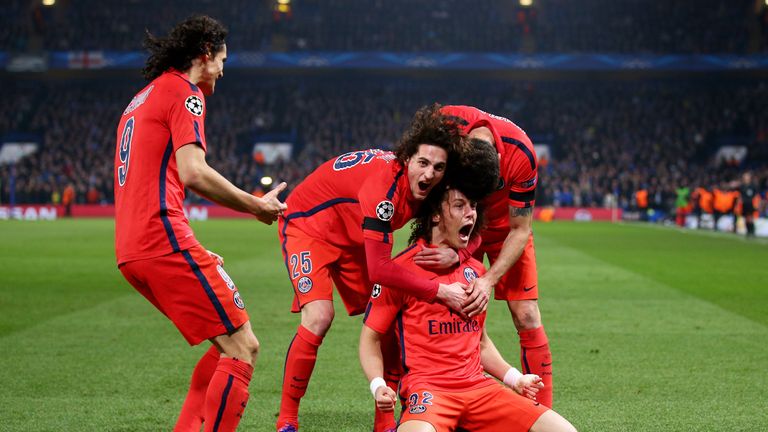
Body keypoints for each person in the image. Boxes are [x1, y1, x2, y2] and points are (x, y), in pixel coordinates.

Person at [275, 105, 499, 432]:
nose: (428, 174)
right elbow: (380, 270)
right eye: (422, 164)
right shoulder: (385, 193)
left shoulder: (433, 182)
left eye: (437, 167)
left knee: (389, 314)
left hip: (358, 237)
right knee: (320, 316)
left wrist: (460, 256)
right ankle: (287, 419)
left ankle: (385, 423)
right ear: (407, 158)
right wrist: (439, 292)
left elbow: (473, 228)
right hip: (310, 226)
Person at [113, 16, 287, 432]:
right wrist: (254, 205)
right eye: (223, 59)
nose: (224, 70)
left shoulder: (140, 99)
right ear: (205, 54)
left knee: (224, 347)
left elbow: (150, 181)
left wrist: (190, 246)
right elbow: (192, 172)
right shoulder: (185, 91)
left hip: (134, 248)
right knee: (244, 348)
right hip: (160, 240)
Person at [360, 186, 576, 432]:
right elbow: (370, 338)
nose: (471, 213)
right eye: (460, 205)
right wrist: (378, 385)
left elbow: (479, 342)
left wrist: (515, 379)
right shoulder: (400, 271)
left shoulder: (476, 272)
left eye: (473, 206)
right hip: (430, 392)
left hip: (480, 390)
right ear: (435, 215)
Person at [413, 106, 555, 408]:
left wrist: (488, 279)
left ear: (500, 162)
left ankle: (540, 411)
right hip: (460, 220)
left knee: (527, 315)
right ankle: (432, 397)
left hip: (506, 227)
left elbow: (521, 228)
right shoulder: (445, 126)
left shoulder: (522, 155)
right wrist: (451, 244)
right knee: (450, 309)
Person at [736, 172, 760, 237]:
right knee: (746, 218)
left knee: (750, 218)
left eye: (746, 177)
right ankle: (748, 231)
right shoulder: (742, 186)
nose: (745, 178)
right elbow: (740, 196)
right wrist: (738, 204)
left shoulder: (753, 186)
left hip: (751, 204)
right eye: (744, 177)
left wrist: (757, 204)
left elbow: (756, 196)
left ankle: (752, 231)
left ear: (749, 178)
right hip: (744, 205)